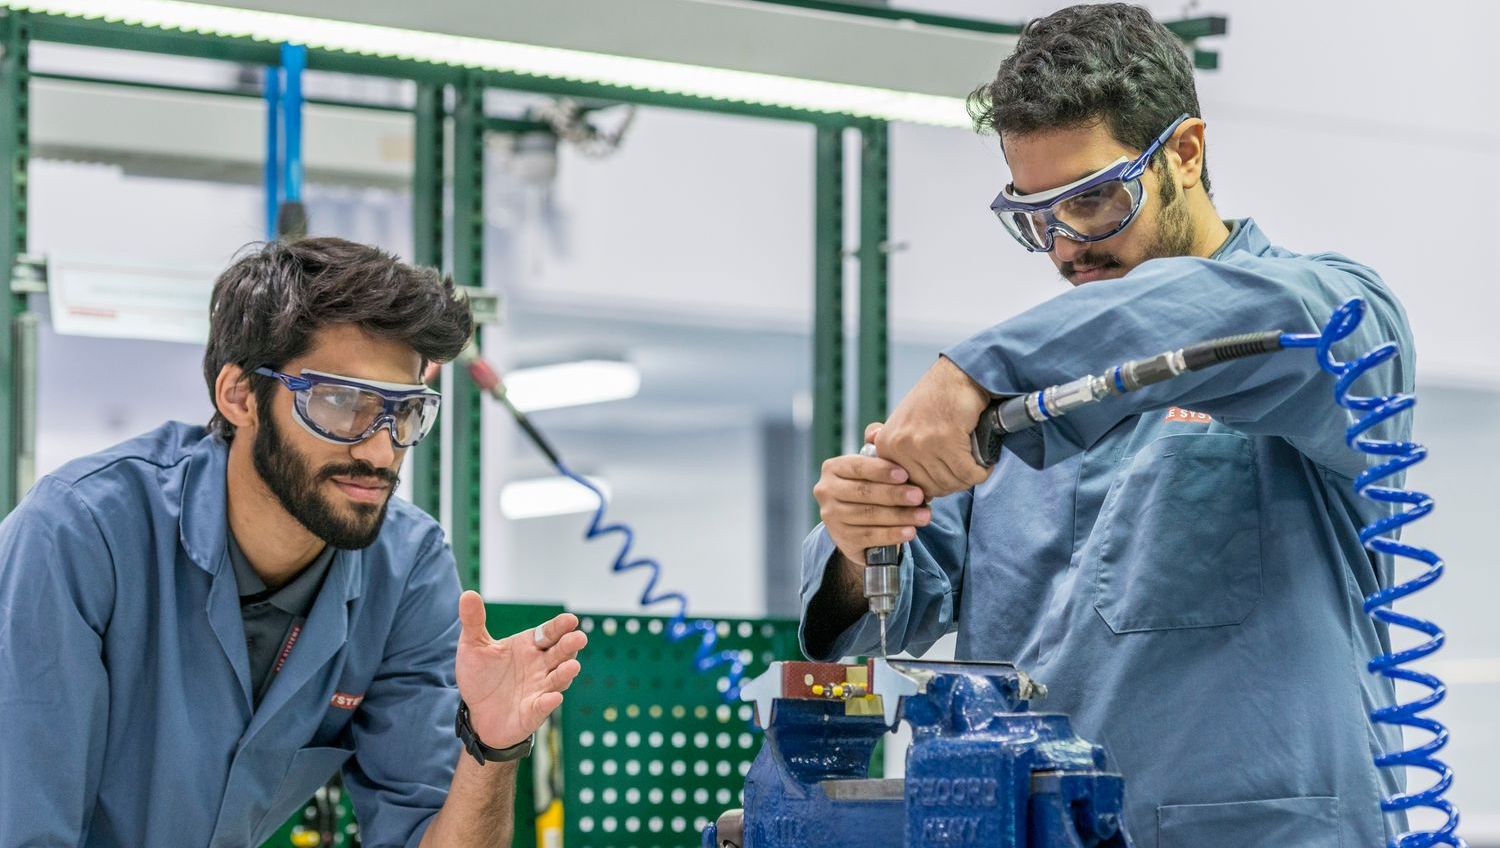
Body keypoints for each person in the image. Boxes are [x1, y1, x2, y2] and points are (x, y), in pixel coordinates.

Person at [801, 5, 1411, 846]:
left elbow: (1223, 323)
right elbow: (879, 619)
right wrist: (859, 533)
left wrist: (980, 369)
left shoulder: (1327, 319)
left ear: (1186, 154)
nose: (1066, 249)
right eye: (1034, 216)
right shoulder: (1020, 385)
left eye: (1092, 201)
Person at [0, 237, 586, 847]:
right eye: (340, 404)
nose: (381, 451)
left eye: (404, 411)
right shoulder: (79, 535)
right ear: (240, 396)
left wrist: (489, 748)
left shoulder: (407, 568)